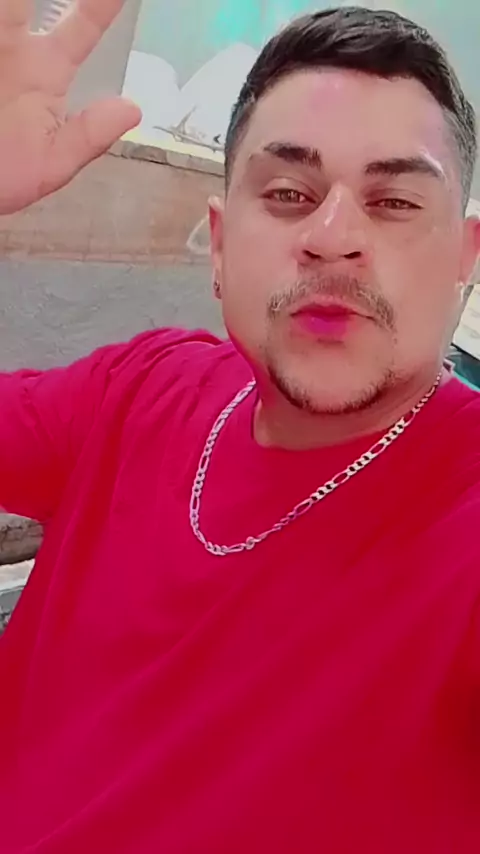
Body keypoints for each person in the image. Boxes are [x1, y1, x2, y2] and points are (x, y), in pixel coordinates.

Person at [0, 2, 479, 852]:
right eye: (289, 193)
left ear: (464, 262)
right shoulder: (139, 388)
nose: (333, 238)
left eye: (395, 201)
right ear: (219, 246)